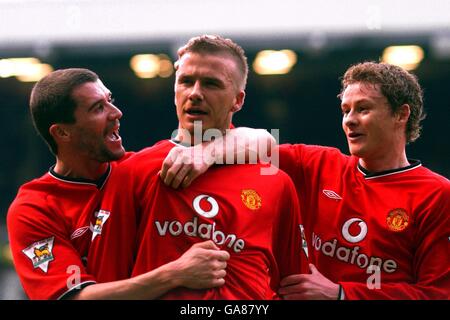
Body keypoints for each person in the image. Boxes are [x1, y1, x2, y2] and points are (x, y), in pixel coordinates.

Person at [167, 61, 450, 300]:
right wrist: (208, 151)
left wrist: (341, 294)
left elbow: (437, 293)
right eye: (345, 110)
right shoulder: (318, 166)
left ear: (401, 114)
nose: (349, 120)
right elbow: (261, 141)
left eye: (363, 109)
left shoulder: (437, 194)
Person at [87, 35, 308, 299]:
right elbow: (107, 284)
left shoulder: (275, 179)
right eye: (186, 82)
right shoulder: (132, 172)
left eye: (211, 84)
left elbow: (294, 287)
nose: (195, 93)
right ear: (175, 91)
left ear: (238, 100)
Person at [6, 68, 234, 299]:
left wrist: (210, 151)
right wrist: (175, 273)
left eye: (110, 100)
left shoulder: (142, 169)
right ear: (62, 133)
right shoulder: (33, 208)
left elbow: (265, 143)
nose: (116, 113)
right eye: (98, 108)